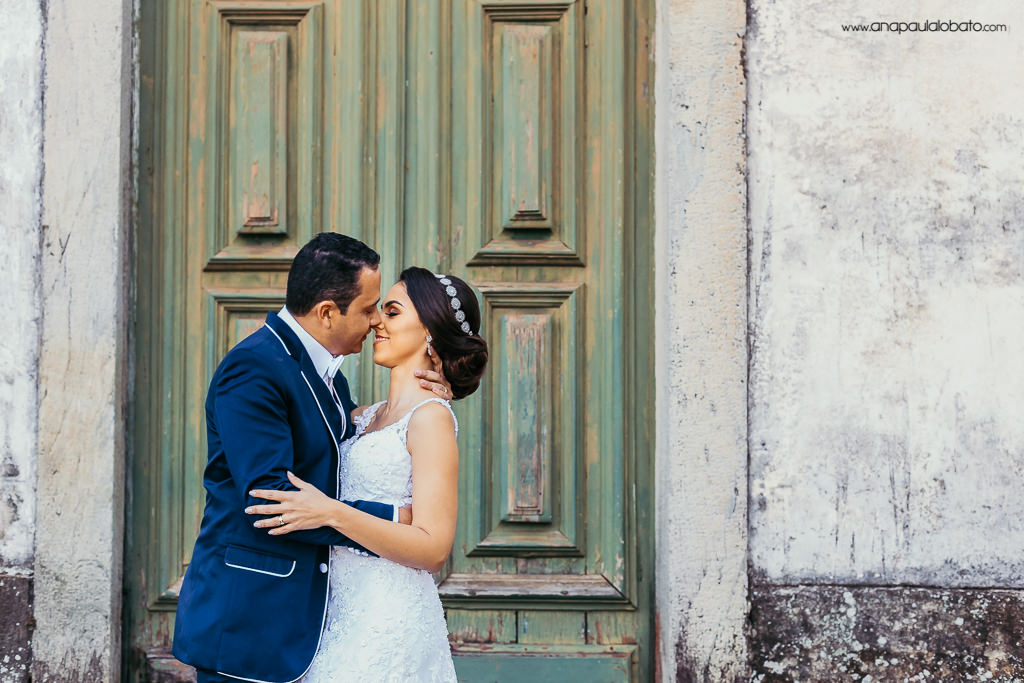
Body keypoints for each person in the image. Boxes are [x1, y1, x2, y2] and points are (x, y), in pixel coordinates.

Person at [172, 234, 453, 683]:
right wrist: (395, 516)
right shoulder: (255, 369)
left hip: (318, 626)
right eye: (368, 308)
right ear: (327, 312)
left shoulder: (332, 382)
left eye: (387, 309)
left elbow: (346, 456)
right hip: (251, 618)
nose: (375, 320)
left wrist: (427, 402)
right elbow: (271, 499)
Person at [244, 266, 488, 681]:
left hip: (389, 618)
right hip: (336, 612)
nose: (376, 320)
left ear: (429, 330)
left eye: (391, 312)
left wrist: (332, 512)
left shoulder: (430, 420)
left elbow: (433, 550)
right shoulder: (362, 416)